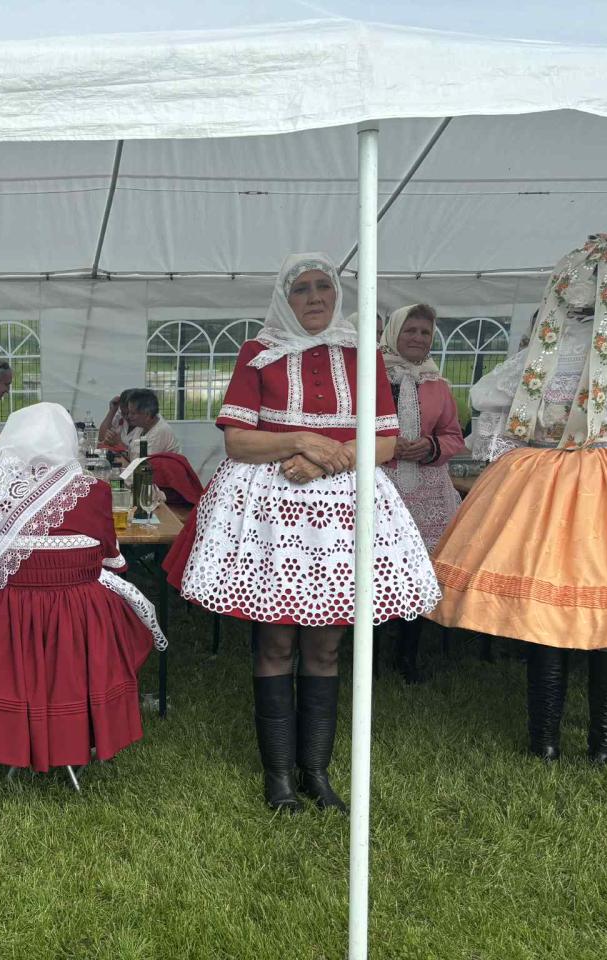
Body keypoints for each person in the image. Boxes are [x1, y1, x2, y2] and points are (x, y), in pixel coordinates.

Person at [164, 253, 440, 813]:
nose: (315, 297)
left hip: (343, 510)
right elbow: (238, 441)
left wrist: (322, 460)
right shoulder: (257, 352)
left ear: (337, 295)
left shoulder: (363, 355)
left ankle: (316, 770)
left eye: (323, 287)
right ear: (284, 298)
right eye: (302, 289)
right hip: (270, 512)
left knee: (327, 643)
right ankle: (279, 777)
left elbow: (385, 441)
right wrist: (300, 441)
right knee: (276, 641)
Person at [430, 231, 607, 766]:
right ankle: (604, 747)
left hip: (543, 488)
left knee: (543, 612)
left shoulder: (535, 359)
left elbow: (492, 425)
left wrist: (517, 464)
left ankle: (544, 740)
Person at [0, 404, 167, 776]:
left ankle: (13, 735)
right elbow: (112, 560)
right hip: (77, 610)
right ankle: (82, 729)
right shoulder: (93, 490)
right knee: (129, 619)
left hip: (7, 611)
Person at [378, 304, 466, 683]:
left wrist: (430, 446)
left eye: (425, 333)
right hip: (381, 486)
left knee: (418, 571)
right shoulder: (369, 376)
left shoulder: (437, 383)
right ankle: (368, 652)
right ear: (393, 333)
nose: (417, 338)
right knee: (377, 566)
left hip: (427, 491)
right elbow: (350, 426)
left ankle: (407, 655)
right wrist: (387, 445)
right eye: (410, 330)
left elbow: (453, 435)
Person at [120, 388, 181, 457]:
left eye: (133, 413)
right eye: (129, 412)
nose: (129, 416)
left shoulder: (160, 431)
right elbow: (132, 452)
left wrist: (120, 445)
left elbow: (143, 461)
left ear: (147, 415)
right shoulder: (142, 426)